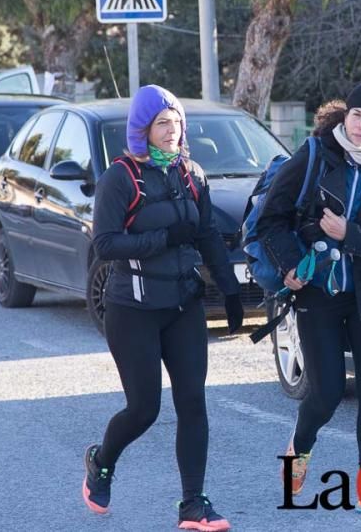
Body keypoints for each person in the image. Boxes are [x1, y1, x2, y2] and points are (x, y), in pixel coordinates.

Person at [82, 85, 245, 531]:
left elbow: (208, 234)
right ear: (144, 130)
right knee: (144, 409)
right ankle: (102, 460)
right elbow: (106, 244)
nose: (172, 132)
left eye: (176, 122)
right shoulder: (121, 178)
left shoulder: (192, 174)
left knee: (193, 400)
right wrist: (163, 239)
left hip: (183, 303)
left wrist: (229, 290)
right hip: (132, 308)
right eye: (162, 124)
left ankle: (193, 504)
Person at [256, 82, 361, 518]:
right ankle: (300, 447)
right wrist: (290, 265)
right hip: (319, 294)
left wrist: (351, 234)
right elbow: (271, 220)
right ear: (342, 116)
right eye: (357, 115)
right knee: (327, 392)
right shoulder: (314, 156)